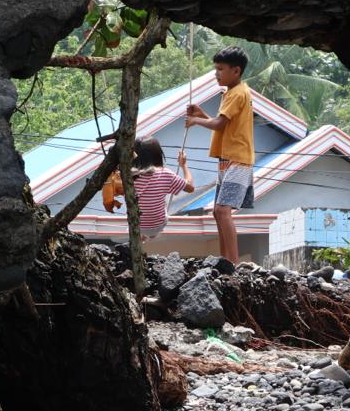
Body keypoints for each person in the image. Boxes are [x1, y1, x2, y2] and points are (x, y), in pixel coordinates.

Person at [185, 46, 253, 262]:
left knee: (223, 211)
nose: (216, 73)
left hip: (238, 160)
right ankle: (225, 260)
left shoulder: (237, 93)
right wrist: (201, 114)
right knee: (217, 212)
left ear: (236, 71)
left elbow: (218, 123)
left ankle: (232, 262)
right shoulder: (233, 93)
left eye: (220, 69)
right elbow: (222, 125)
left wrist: (196, 120)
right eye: (215, 69)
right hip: (228, 160)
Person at [103, 138, 194, 239]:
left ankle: (143, 236)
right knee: (161, 204)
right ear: (157, 155)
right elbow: (190, 188)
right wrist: (183, 165)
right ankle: (152, 235)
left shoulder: (125, 176)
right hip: (159, 225)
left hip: (136, 225)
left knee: (136, 207)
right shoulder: (165, 174)